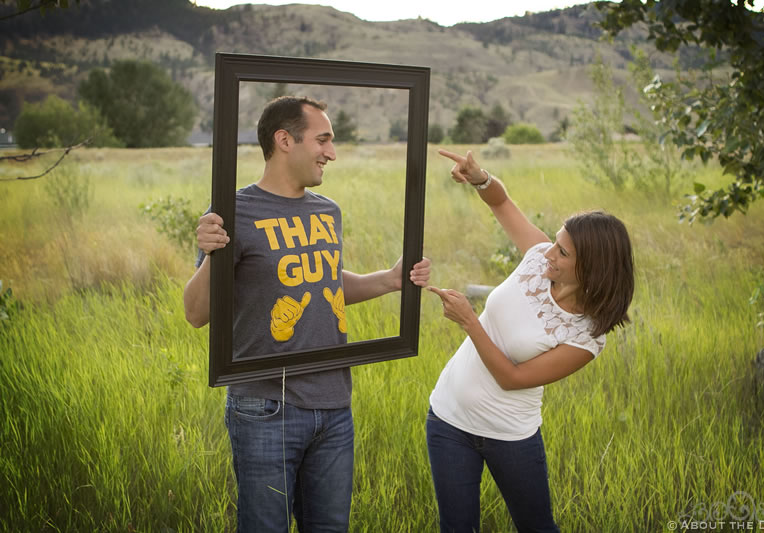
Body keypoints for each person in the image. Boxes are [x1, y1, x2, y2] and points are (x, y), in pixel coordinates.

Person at [183, 96, 431, 533]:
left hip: (334, 403)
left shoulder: (326, 211)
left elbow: (325, 285)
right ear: (284, 140)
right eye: (323, 140)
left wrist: (391, 280)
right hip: (265, 405)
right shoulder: (235, 213)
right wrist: (211, 252)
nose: (331, 153)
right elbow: (196, 312)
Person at [426, 149, 634, 533]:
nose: (548, 253)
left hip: (509, 436)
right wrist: (479, 178)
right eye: (555, 241)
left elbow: (514, 378)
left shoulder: (586, 336)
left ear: (591, 267)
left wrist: (471, 323)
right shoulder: (539, 259)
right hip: (448, 418)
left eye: (562, 251)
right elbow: (502, 202)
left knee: (537, 527)